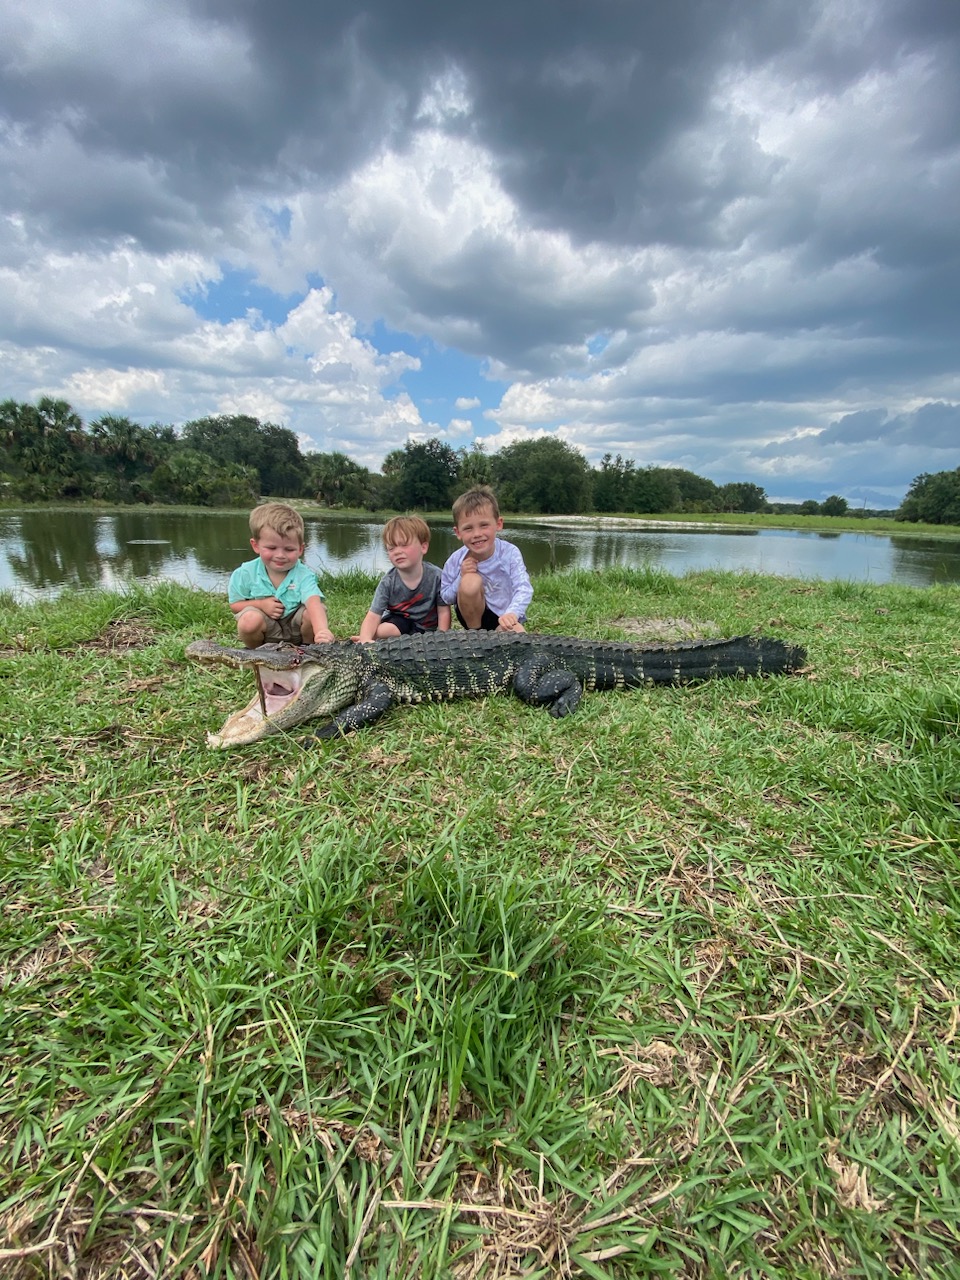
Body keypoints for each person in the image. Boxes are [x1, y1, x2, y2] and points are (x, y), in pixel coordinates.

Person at [228, 502, 334, 647]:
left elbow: (313, 602)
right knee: (248, 620)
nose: (280, 555)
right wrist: (260, 604)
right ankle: (256, 654)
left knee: (315, 611)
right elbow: (235, 605)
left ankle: (310, 650)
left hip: (295, 631)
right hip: (266, 630)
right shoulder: (244, 573)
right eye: (272, 547)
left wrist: (322, 631)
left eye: (289, 549)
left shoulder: (304, 574)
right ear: (256, 545)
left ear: (300, 549)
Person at [440, 486, 532, 632]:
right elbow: (445, 597)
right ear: (458, 532)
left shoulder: (510, 553)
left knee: (519, 636)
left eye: (484, 525)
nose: (477, 534)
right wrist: (461, 576)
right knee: (470, 581)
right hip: (472, 618)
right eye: (468, 528)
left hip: (505, 617)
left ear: (498, 524)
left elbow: (523, 588)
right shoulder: (455, 560)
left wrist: (512, 613)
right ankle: (475, 635)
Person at [357, 515, 451, 642]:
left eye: (404, 545)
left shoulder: (437, 576)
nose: (397, 551)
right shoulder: (388, 582)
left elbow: (443, 611)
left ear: (423, 547)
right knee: (382, 631)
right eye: (391, 548)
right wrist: (365, 639)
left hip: (427, 629)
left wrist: (442, 637)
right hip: (398, 624)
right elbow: (373, 615)